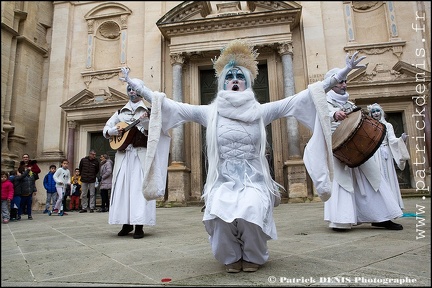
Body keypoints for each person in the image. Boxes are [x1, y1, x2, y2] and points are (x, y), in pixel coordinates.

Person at [120, 40, 366, 272]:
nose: (234, 80)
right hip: (222, 178)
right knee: (218, 213)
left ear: (247, 82)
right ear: (223, 83)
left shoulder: (261, 111)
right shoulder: (210, 112)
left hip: (254, 178)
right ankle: (230, 257)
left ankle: (253, 256)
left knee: (251, 210)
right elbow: (169, 105)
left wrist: (341, 73)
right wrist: (139, 88)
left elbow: (302, 97)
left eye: (239, 76)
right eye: (229, 76)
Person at [323, 68, 404, 232]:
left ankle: (381, 217)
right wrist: (333, 114)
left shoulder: (350, 103)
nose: (344, 84)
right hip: (337, 147)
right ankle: (342, 220)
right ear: (332, 84)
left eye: (345, 81)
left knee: (373, 177)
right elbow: (319, 116)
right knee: (342, 181)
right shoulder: (324, 102)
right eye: (341, 82)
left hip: (358, 145)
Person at [102, 77, 152, 239]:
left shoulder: (148, 111)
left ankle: (139, 225)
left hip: (140, 156)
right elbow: (106, 129)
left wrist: (145, 123)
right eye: (129, 89)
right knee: (123, 190)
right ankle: (126, 223)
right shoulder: (119, 113)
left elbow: (153, 131)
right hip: (123, 156)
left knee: (138, 190)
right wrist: (112, 132)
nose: (132, 92)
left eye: (135, 89)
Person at [368, 103, 410, 209]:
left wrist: (401, 140)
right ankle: (379, 205)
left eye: (377, 111)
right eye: (373, 112)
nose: (376, 113)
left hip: (385, 152)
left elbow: (392, 139)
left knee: (388, 177)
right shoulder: (369, 125)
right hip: (374, 154)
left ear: (381, 112)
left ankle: (391, 204)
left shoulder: (388, 125)